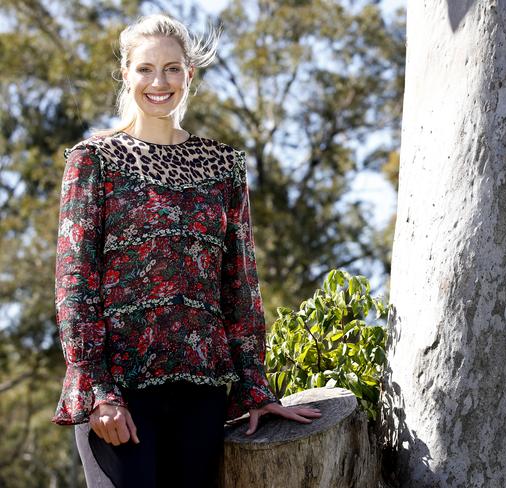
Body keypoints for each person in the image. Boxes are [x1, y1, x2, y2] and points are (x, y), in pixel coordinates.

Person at [52, 12, 321, 488]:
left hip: (201, 394)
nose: (160, 82)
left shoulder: (224, 165)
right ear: (126, 74)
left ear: (189, 74)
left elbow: (240, 286)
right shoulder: (93, 160)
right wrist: (98, 391)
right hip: (121, 396)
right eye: (146, 68)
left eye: (173, 68)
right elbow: (75, 282)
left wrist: (255, 388)